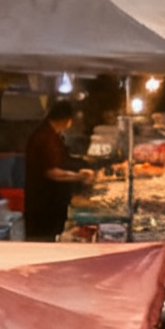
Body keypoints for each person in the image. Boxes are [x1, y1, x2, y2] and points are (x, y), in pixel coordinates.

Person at [24, 101, 95, 243]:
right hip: (43, 202)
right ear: (66, 119)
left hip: (48, 199)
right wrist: (79, 176)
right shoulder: (45, 137)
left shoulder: (50, 133)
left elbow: (62, 160)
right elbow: (52, 172)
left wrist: (78, 167)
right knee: (44, 239)